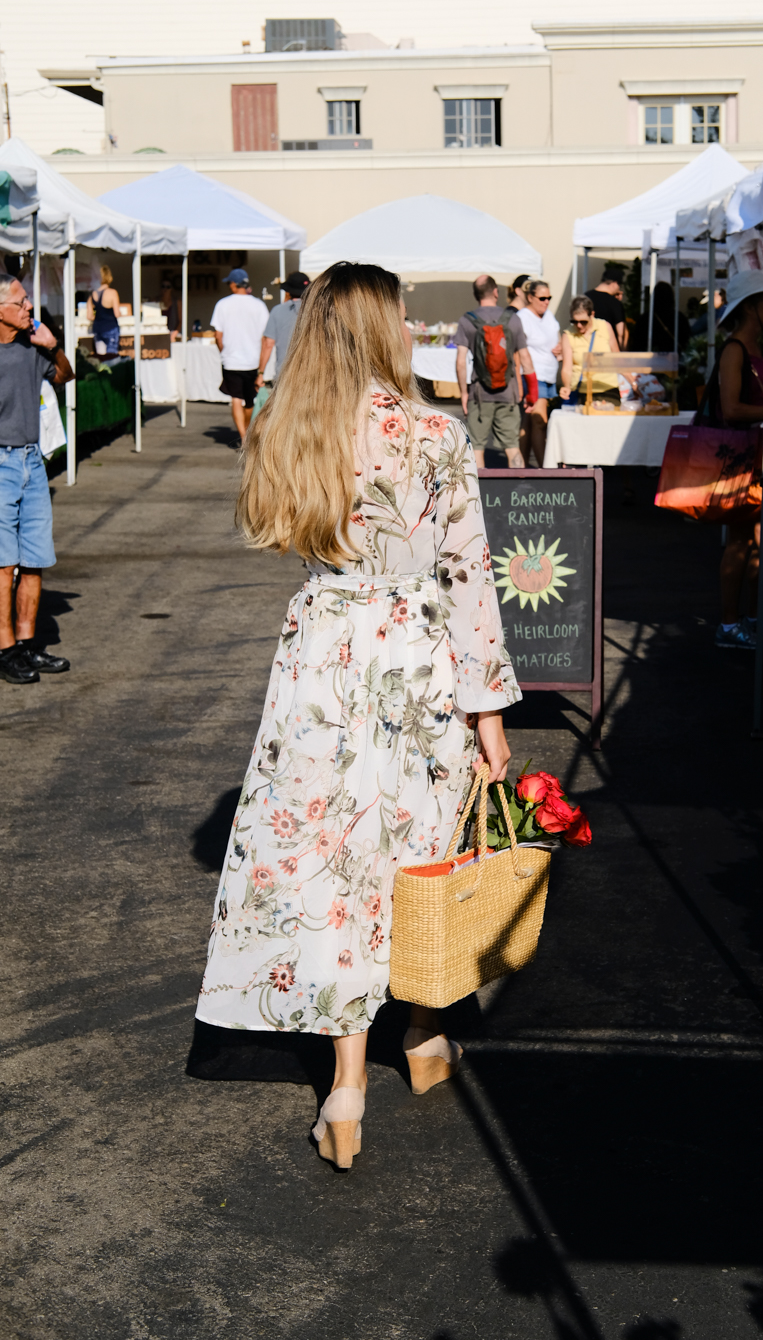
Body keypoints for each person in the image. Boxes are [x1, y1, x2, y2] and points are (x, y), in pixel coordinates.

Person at [195, 261, 520, 1169]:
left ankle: (344, 1088)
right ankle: (421, 1035)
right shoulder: (435, 434)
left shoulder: (286, 431)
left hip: (323, 656)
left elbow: (274, 536)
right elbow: (468, 577)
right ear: (383, 326)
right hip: (416, 656)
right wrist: (487, 707)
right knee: (422, 850)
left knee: (335, 860)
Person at [703, 270, 763, 650]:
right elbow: (731, 409)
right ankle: (729, 624)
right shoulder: (735, 350)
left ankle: (753, 617)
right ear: (752, 307)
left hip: (760, 456)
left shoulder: (754, 350)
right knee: (743, 539)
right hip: (742, 459)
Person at [0, 274, 74, 684]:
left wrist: (53, 346)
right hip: (1, 462)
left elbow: (65, 376)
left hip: (31, 460)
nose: (29, 307)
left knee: (34, 559)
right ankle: (5, 649)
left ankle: (27, 645)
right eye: (21, 302)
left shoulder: (32, 348)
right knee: (3, 562)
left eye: (28, 300)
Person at [454, 275, 535, 469]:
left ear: (476, 295)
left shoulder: (467, 321)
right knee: (513, 448)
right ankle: (520, 492)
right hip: (508, 393)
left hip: (479, 394)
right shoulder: (513, 319)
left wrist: (464, 393)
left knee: (477, 448)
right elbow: (525, 359)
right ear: (496, 292)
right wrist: (532, 392)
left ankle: (480, 495)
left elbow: (460, 362)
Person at [210, 268, 269, 443]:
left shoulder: (223, 304)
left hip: (231, 359)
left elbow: (218, 335)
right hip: (252, 359)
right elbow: (265, 336)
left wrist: (224, 351)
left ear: (235, 285)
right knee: (249, 399)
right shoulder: (259, 305)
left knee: (236, 398)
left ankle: (243, 436)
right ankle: (247, 432)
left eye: (229, 283)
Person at [517, 279, 561, 467]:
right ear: (530, 297)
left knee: (527, 424)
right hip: (533, 376)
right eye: (542, 298)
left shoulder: (549, 316)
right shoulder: (522, 317)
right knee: (539, 421)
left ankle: (520, 468)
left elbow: (556, 338)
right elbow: (517, 350)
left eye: (549, 298)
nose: (546, 301)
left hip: (549, 374)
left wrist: (560, 348)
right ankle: (546, 469)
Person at [558, 295, 621, 406]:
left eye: (583, 322)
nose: (579, 325)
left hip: (608, 388)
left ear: (592, 315)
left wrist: (633, 383)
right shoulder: (568, 334)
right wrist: (567, 386)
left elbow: (618, 358)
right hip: (582, 391)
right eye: (574, 321)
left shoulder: (605, 327)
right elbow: (567, 367)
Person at [255, 270, 310, 390]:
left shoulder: (278, 311)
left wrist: (261, 373)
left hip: (284, 373)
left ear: (288, 291)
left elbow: (268, 344)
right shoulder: (316, 311)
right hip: (312, 373)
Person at [630, 280, 692, 353]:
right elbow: (687, 341)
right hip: (674, 360)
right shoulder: (680, 318)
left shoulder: (645, 319)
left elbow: (637, 344)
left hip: (650, 361)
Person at [86, 265, 122, 357]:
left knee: (100, 357)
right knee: (112, 357)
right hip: (110, 327)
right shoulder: (112, 293)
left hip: (98, 328)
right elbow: (117, 313)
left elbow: (89, 316)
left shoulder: (92, 294)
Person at [585, 272, 628, 344]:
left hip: (586, 344)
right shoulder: (614, 303)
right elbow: (621, 333)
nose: (619, 289)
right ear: (614, 283)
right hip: (607, 347)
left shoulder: (585, 297)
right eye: (619, 286)